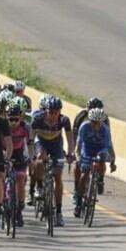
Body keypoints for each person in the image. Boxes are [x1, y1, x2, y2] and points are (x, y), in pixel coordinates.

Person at [30, 95, 74, 226]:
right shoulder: (37, 119)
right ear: (46, 111)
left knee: (58, 176)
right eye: (51, 112)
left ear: (60, 112)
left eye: (56, 112)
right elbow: (31, 139)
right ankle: (39, 185)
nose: (53, 115)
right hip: (41, 142)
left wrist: (71, 152)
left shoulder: (64, 120)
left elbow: (70, 139)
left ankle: (59, 212)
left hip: (56, 144)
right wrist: (32, 154)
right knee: (39, 158)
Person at [74, 108, 115, 218]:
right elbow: (78, 145)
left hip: (100, 149)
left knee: (102, 158)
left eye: (98, 123)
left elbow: (110, 147)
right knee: (84, 174)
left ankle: (100, 179)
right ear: (90, 121)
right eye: (93, 122)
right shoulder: (84, 127)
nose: (96, 125)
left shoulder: (105, 130)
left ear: (102, 122)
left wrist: (113, 161)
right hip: (87, 150)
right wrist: (78, 157)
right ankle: (78, 203)